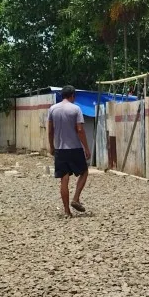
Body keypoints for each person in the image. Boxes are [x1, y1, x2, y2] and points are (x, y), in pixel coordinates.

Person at [47, 85, 91, 217]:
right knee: (84, 171)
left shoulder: (53, 109)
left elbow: (50, 130)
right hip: (75, 148)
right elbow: (80, 130)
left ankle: (67, 211)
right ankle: (76, 198)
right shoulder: (76, 109)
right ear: (72, 95)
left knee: (64, 179)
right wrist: (86, 148)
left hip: (60, 149)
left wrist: (51, 146)